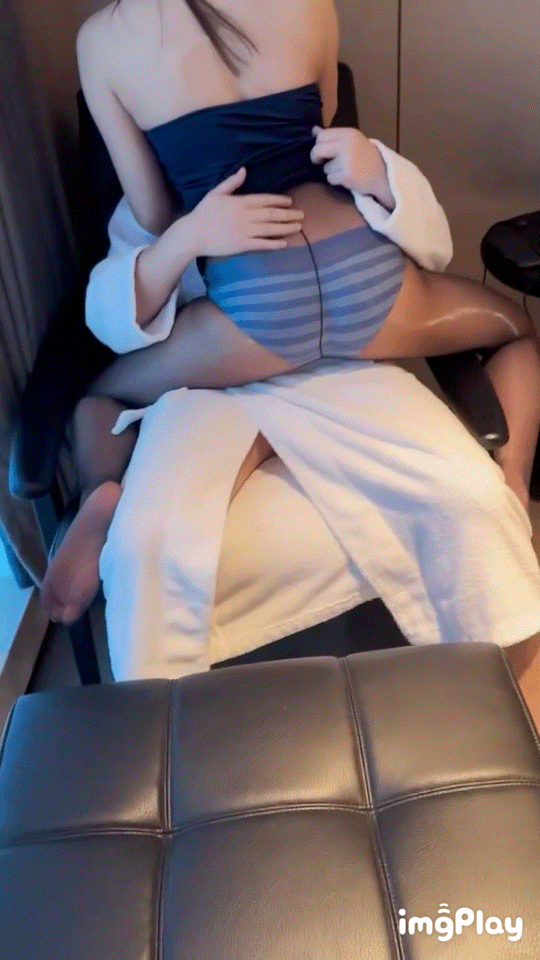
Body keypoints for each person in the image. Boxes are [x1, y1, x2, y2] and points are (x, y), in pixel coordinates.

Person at [41, 0, 540, 726]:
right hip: (371, 289)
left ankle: (99, 493)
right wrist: (374, 168)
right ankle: (514, 480)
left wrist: (195, 233)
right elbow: (327, 138)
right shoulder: (307, 3)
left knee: (101, 399)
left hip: (253, 308)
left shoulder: (105, 39)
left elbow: (152, 212)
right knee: (514, 326)